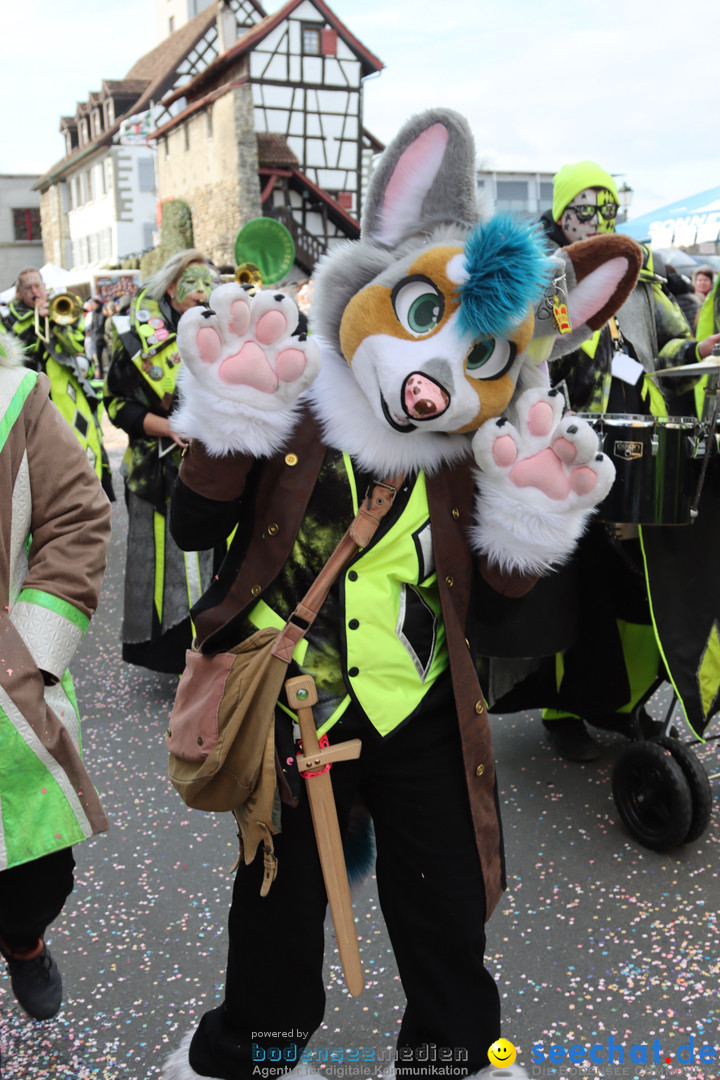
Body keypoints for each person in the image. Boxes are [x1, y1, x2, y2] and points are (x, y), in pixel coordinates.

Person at [160, 110, 640, 1080]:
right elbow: (196, 531)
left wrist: (533, 526)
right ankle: (254, 1052)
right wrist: (222, 424)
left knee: (446, 907)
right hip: (293, 700)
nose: (432, 386)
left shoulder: (478, 454)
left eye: (480, 358)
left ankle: (448, 1060)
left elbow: (505, 619)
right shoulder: (299, 394)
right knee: (275, 905)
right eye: (427, 319)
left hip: (419, 705)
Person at [534, 161, 720, 760]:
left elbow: (667, 348)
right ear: (563, 217)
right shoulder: (549, 284)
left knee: (636, 586)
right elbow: (533, 362)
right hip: (568, 455)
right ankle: (564, 711)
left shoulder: (645, 282)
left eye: (606, 210)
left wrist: (699, 346)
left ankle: (625, 702)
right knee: (576, 588)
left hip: (640, 454)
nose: (595, 221)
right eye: (583, 211)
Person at [0, 328, 110, 1022]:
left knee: (36, 874)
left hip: (3, 692)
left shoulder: (13, 399)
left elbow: (77, 515)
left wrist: (32, 651)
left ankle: (23, 942)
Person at [104, 250, 220, 674]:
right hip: (155, 474)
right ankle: (177, 657)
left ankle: (212, 649)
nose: (203, 290)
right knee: (164, 568)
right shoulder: (135, 340)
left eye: (209, 280)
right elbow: (115, 404)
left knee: (213, 562)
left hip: (217, 474)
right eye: (192, 281)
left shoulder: (221, 333)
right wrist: (166, 426)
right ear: (172, 287)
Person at [0, 268, 115, 501]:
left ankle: (89, 494)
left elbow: (76, 345)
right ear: (19, 293)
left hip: (67, 392)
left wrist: (57, 322)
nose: (35, 291)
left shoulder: (62, 309)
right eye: (28, 288)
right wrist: (34, 319)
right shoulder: (7, 318)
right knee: (41, 451)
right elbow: (15, 352)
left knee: (83, 440)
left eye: (38, 286)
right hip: (27, 393)